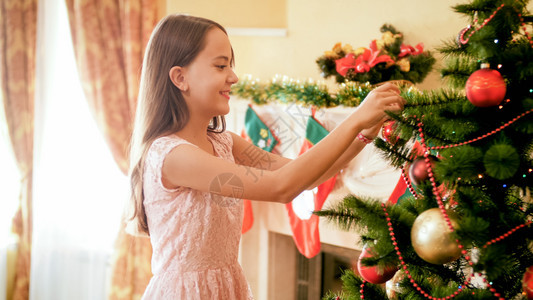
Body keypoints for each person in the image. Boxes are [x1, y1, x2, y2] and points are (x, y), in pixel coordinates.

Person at [126, 14, 405, 299]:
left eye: (230, 66)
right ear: (180, 77)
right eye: (221, 65)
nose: (233, 77)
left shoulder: (224, 142)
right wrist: (355, 119)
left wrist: (364, 134)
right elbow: (281, 187)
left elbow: (305, 177)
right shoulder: (174, 157)